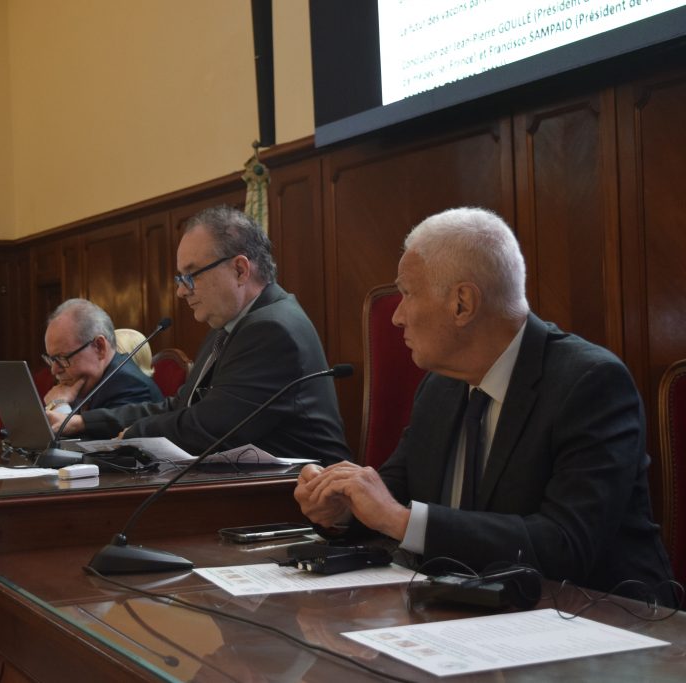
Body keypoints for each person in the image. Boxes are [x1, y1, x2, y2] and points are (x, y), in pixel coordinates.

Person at [294, 207, 675, 603]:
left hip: (603, 624)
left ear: (462, 303)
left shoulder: (590, 383)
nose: (398, 318)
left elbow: (567, 543)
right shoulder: (438, 387)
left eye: (407, 294)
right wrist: (343, 507)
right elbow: (394, 493)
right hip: (469, 613)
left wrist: (399, 519)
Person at [50, 205, 350, 464]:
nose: (181, 291)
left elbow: (210, 428)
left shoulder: (272, 329)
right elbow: (180, 407)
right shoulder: (230, 326)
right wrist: (82, 421)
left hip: (300, 496)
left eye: (191, 276)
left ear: (240, 270)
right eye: (181, 279)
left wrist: (134, 435)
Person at [41, 299, 162, 416]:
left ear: (99, 347)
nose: (54, 370)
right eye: (52, 359)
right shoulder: (86, 385)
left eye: (62, 358)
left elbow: (96, 436)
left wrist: (59, 406)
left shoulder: (129, 385)